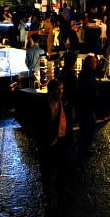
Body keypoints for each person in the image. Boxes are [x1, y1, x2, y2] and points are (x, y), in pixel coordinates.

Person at [35, 78, 69, 210]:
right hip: (47, 142)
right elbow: (38, 125)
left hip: (60, 140)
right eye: (58, 89)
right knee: (47, 168)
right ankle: (48, 193)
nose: (61, 92)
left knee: (62, 164)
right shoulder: (42, 105)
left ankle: (61, 187)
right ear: (51, 91)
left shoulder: (62, 103)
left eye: (62, 89)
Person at [77, 54, 100, 156]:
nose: (96, 64)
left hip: (86, 105)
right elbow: (90, 90)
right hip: (87, 105)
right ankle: (84, 149)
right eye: (95, 62)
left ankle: (84, 147)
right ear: (91, 64)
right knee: (88, 127)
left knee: (87, 127)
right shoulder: (87, 75)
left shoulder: (85, 73)